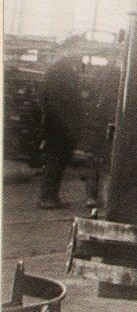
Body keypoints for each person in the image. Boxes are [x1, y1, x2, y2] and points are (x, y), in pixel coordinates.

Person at [36, 52, 83, 209]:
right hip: (59, 125)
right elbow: (65, 100)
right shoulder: (62, 71)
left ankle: (51, 197)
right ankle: (47, 198)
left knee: (56, 162)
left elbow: (44, 98)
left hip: (57, 124)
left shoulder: (57, 70)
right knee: (55, 162)